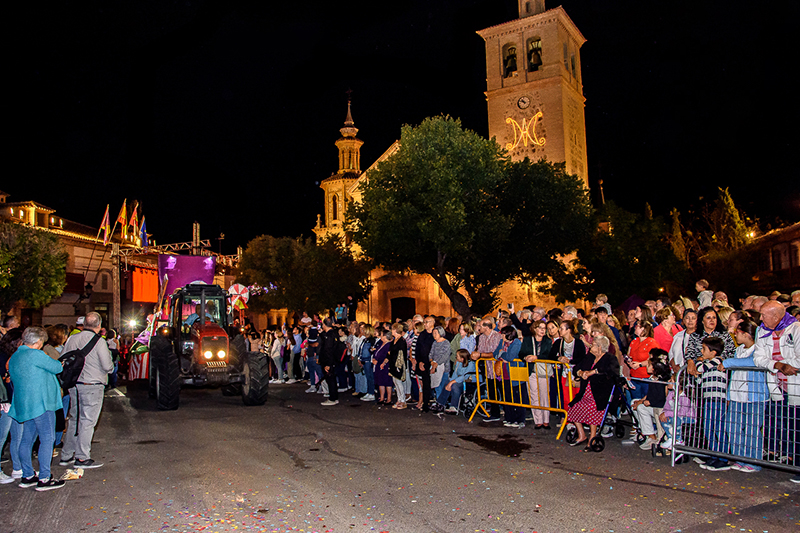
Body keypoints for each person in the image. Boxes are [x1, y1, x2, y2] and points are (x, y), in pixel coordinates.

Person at [8, 327, 65, 490]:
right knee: (47, 438)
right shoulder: (36, 355)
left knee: (26, 439)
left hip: (24, 404)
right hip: (42, 403)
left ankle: (27, 475)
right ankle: (45, 478)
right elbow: (57, 367)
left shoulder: (15, 356)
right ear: (38, 341)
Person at [752, 301, 799, 483]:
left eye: (764, 315)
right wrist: (777, 365)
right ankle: (790, 460)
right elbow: (759, 358)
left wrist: (789, 365)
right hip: (777, 385)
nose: (761, 318)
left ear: (777, 316)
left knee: (797, 426)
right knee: (785, 424)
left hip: (795, 385)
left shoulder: (796, 329)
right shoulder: (763, 331)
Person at [59, 312, 112, 470]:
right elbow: (108, 366)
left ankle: (66, 454)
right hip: (92, 385)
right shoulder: (99, 342)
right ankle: (82, 457)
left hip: (75, 385)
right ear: (99, 325)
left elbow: (63, 359)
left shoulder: (72, 338)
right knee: (88, 422)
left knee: (74, 419)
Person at [719, 320, 768, 473]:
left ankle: (753, 461)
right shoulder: (739, 350)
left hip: (753, 396)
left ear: (746, 334)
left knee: (751, 429)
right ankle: (740, 458)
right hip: (736, 395)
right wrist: (729, 394)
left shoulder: (758, 349)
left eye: (738, 332)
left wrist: (728, 362)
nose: (735, 334)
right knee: (732, 426)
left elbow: (753, 362)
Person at [566, 336, 618, 451]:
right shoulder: (589, 357)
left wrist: (593, 372)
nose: (590, 346)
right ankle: (581, 435)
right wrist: (581, 373)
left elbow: (611, 372)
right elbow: (576, 368)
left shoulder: (610, 358)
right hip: (585, 392)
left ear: (599, 347)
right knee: (573, 406)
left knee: (591, 408)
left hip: (600, 393)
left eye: (593, 344)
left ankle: (592, 438)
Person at [688, 336, 730, 471]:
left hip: (718, 400)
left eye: (704, 349)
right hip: (708, 399)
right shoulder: (708, 364)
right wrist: (696, 377)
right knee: (708, 427)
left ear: (713, 352)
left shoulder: (716, 361)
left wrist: (698, 363)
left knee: (718, 428)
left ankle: (722, 457)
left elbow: (700, 368)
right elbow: (700, 379)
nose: (701, 351)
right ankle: (714, 453)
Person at [632, 349, 671, 450]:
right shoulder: (653, 379)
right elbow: (650, 394)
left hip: (661, 408)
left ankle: (660, 438)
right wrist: (642, 401)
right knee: (638, 405)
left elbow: (663, 397)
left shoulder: (663, 380)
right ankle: (650, 435)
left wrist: (649, 402)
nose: (646, 365)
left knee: (657, 420)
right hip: (654, 406)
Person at [522, 320, 553, 429]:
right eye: (540, 328)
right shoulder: (527, 340)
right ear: (535, 328)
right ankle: (538, 420)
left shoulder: (548, 341)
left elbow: (549, 355)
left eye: (544, 328)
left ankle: (546, 420)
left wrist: (536, 357)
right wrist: (525, 357)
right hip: (531, 370)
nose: (542, 330)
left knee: (544, 395)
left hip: (543, 370)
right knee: (533, 394)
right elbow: (521, 353)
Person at [626, 321, 658, 400]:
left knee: (645, 400)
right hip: (634, 376)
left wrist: (640, 364)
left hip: (646, 377)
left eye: (637, 326)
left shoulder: (652, 342)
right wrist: (629, 362)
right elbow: (629, 354)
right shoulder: (634, 341)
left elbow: (654, 359)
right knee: (635, 400)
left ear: (643, 329)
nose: (635, 328)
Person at [319, 319, 340, 406]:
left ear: (324, 325)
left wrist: (328, 364)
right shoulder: (334, 333)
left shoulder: (329, 336)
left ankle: (332, 398)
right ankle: (334, 397)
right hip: (333, 360)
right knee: (331, 379)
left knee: (330, 379)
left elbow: (328, 350)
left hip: (329, 361)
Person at [388, 323, 408, 409]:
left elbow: (401, 355)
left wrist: (399, 366)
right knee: (395, 383)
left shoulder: (401, 341)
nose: (391, 331)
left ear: (396, 330)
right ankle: (399, 399)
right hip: (392, 363)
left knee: (399, 383)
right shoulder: (394, 340)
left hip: (398, 364)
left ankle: (403, 400)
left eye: (392, 329)